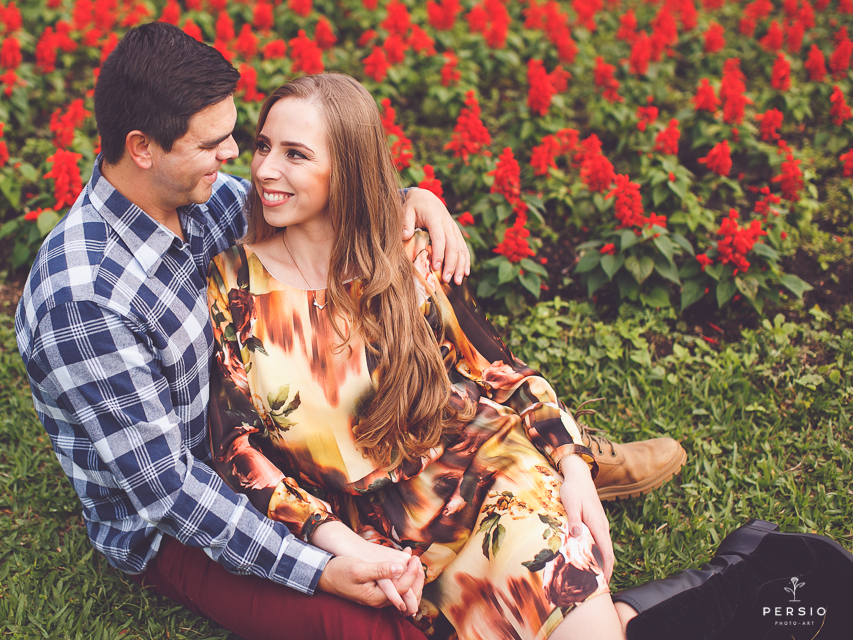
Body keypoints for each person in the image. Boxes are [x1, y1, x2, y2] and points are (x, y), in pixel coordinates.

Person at [15, 20, 686, 640]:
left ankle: (573, 461)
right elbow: (169, 490)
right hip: (182, 516)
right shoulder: (85, 301)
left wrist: (414, 201)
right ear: (143, 149)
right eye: (216, 142)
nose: (240, 161)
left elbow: (326, 198)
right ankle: (670, 597)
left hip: (423, 459)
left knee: (527, 547)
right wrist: (321, 562)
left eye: (238, 139)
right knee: (387, 623)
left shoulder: (205, 197)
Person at [204, 73, 853, 640]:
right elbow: (240, 450)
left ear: (345, 167)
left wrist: (571, 467)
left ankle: (731, 573)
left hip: (495, 483)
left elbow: (495, 370)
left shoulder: (399, 255)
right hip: (388, 538)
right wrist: (338, 544)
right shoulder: (233, 285)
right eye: (263, 146)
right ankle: (740, 570)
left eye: (294, 154)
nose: (263, 170)